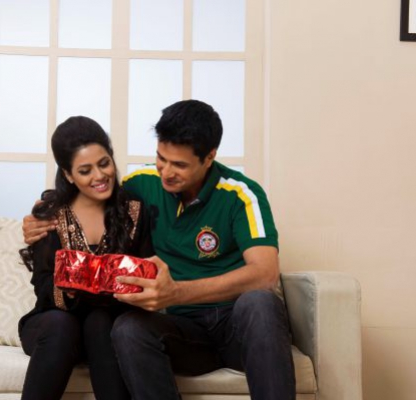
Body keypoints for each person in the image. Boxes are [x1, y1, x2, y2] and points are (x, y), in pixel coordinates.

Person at [23, 100, 296, 400]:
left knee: (259, 302)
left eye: (179, 165)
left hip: (236, 329)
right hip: (182, 330)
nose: (166, 172)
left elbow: (265, 274)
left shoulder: (242, 194)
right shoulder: (142, 185)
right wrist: (41, 216)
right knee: (127, 328)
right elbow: (93, 195)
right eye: (161, 158)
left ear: (209, 157)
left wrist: (176, 292)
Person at [18, 116, 153, 400]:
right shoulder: (50, 215)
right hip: (55, 325)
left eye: (104, 163)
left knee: (99, 321)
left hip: (107, 324)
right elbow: (43, 285)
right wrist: (69, 287)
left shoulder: (134, 210)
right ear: (68, 175)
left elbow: (145, 274)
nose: (99, 176)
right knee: (62, 325)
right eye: (85, 170)